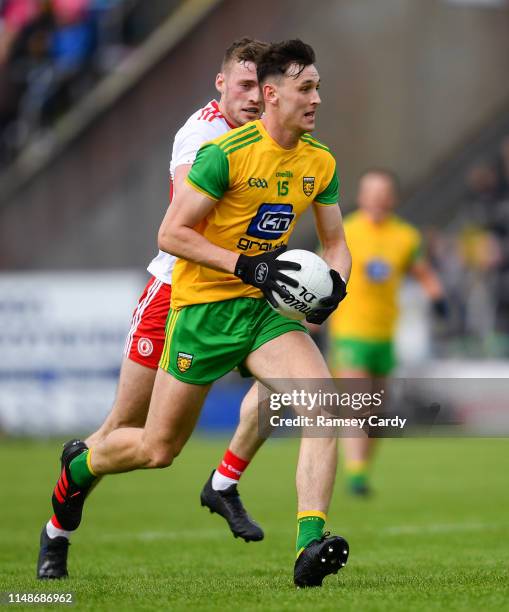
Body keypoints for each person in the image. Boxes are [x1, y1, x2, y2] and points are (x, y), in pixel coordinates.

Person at [48, 39, 352, 588]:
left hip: (262, 313)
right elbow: (170, 233)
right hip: (202, 312)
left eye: (318, 87)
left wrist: (336, 286)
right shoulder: (221, 153)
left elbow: (336, 244)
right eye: (306, 88)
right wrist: (248, 266)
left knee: (325, 406)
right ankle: (80, 466)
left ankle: (310, 545)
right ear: (273, 94)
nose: (317, 99)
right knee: (155, 448)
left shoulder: (321, 160)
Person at [37, 37, 269, 580]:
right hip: (178, 292)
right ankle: (58, 529)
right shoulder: (203, 134)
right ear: (221, 84)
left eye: (263, 87)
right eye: (244, 85)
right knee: (130, 428)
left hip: (241, 294)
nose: (255, 97)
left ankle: (225, 481)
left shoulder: (273, 137)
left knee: (288, 384)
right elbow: (182, 225)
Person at [328, 168, 446, 495]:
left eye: (384, 194)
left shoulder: (405, 237)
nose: (378, 199)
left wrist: (437, 298)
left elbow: (421, 271)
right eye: (371, 193)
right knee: (357, 401)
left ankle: (361, 471)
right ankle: (353, 472)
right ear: (362, 197)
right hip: (350, 330)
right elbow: (323, 272)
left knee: (376, 411)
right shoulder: (345, 232)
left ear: (392, 198)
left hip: (385, 334)